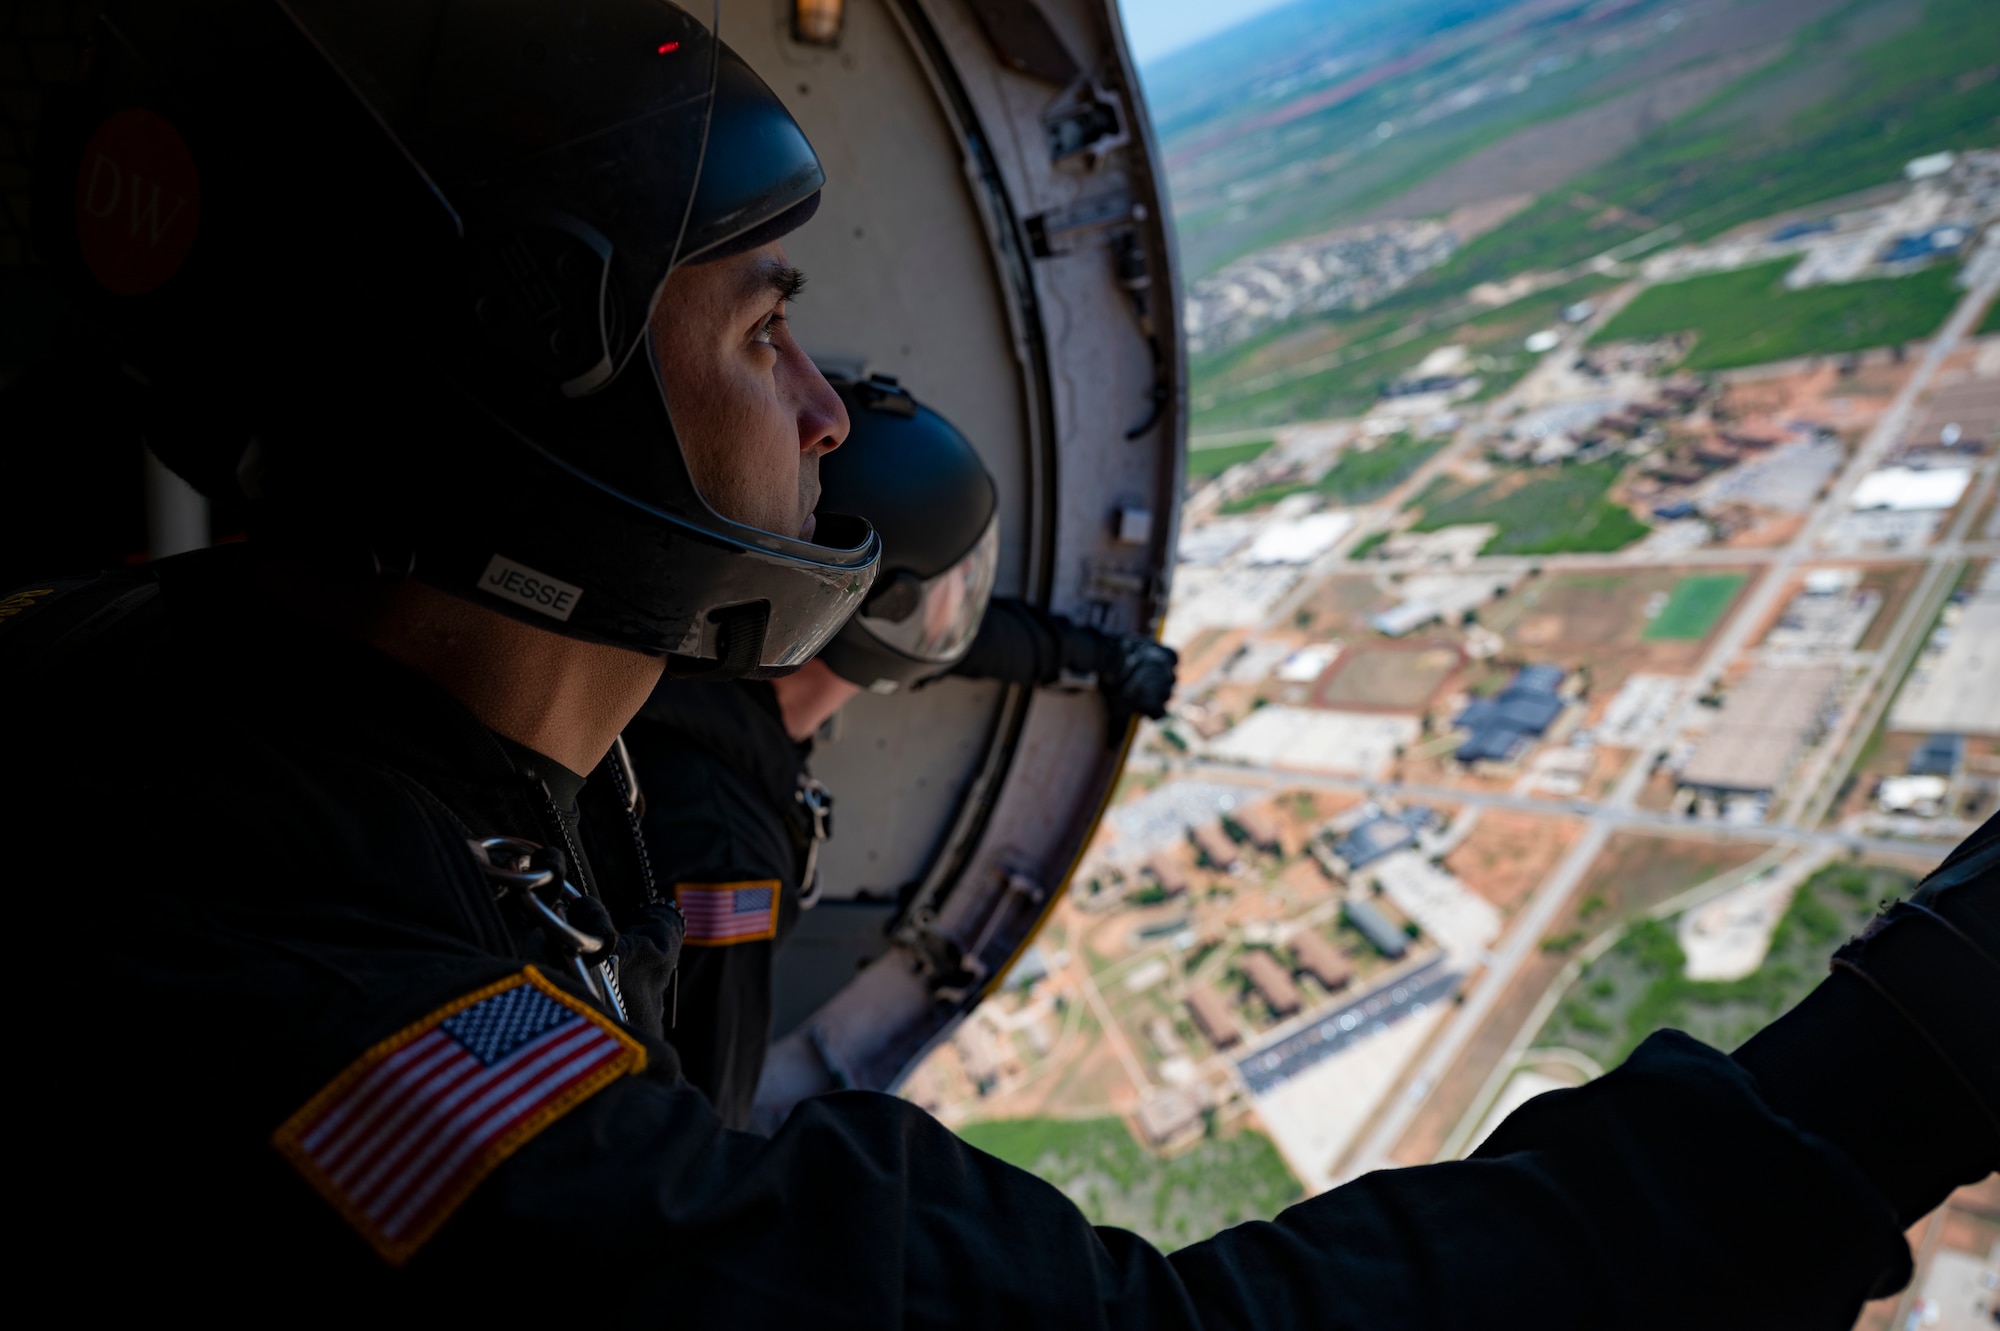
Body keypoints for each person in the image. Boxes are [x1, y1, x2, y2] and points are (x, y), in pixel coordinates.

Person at [6, 2, 1993, 1323]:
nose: (820, 408)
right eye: (764, 327)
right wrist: (1897, 1063)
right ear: (554, 417)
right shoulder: (286, 986)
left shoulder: (296, 729)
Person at [629, 372, 1179, 1127]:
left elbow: (945, 633)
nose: (961, 609)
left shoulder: (691, 666)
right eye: (948, 586)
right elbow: (697, 1135)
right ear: (873, 614)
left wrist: (1099, 660)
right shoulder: (727, 854)